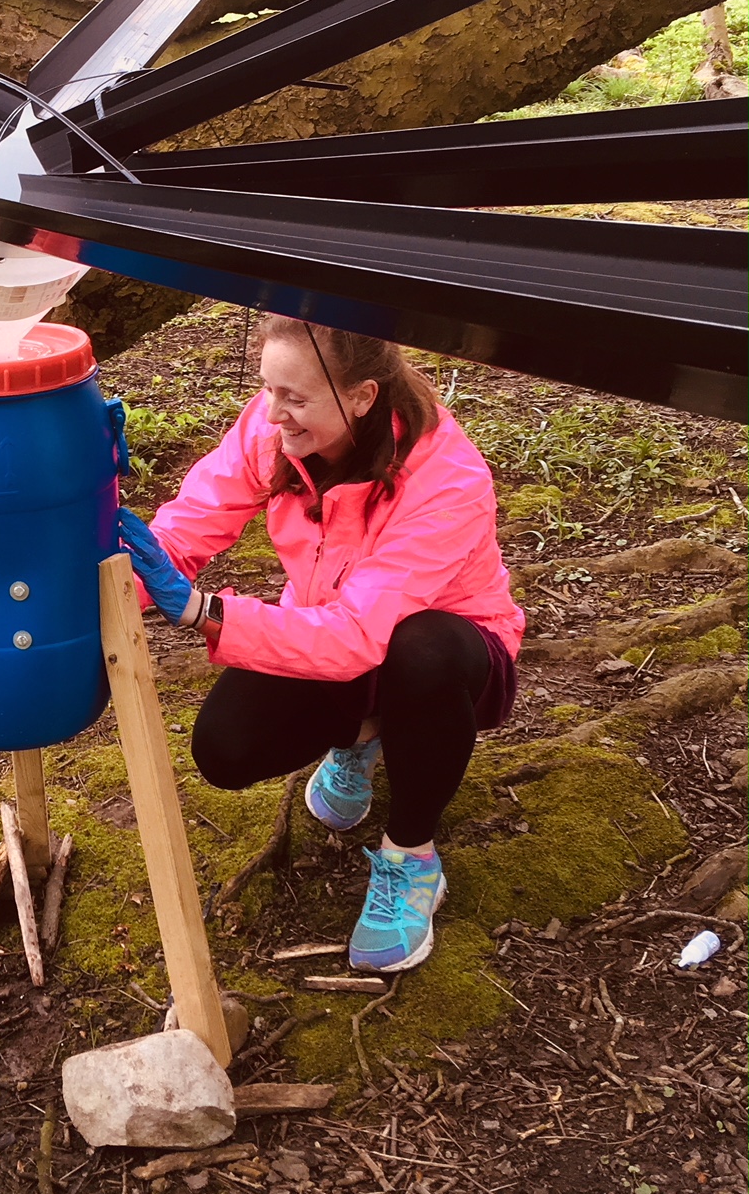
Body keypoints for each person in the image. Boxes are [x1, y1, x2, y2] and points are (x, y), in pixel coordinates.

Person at [117, 314, 522, 974]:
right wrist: (108, 598)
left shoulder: (446, 477)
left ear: (363, 396)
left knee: (419, 654)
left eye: (296, 398)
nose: (274, 414)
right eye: (268, 390)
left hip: (449, 651)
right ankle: (365, 734)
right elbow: (188, 531)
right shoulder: (273, 424)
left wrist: (203, 612)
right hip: (328, 627)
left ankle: (411, 856)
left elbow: (362, 635)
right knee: (226, 747)